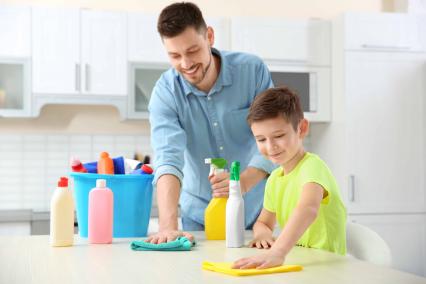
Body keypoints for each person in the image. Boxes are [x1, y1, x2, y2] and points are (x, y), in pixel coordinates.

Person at [146, 2, 275, 244]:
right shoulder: (165, 93)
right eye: (175, 55)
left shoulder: (252, 71)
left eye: (193, 50)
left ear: (210, 37)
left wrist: (243, 183)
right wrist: (168, 227)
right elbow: (168, 159)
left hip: (258, 211)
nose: (186, 64)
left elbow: (274, 136)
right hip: (200, 215)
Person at [232, 87, 346, 269]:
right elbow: (263, 222)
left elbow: (308, 209)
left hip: (326, 266)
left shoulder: (313, 167)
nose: (270, 147)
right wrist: (262, 234)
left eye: (278, 136)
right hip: (300, 262)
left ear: (301, 129)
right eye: (261, 140)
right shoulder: (275, 178)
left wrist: (277, 251)